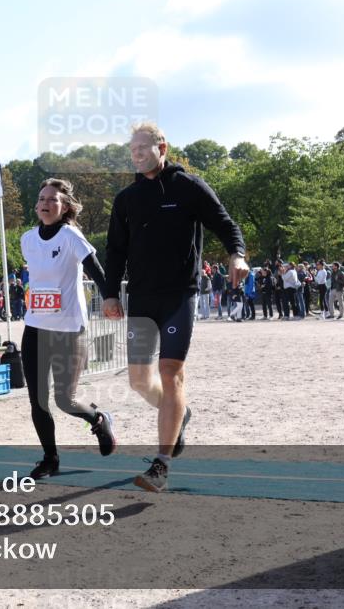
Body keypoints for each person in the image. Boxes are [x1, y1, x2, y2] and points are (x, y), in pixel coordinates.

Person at [101, 123, 247, 492]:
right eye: (131, 148)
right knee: (138, 381)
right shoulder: (127, 199)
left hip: (180, 294)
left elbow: (225, 224)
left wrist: (238, 255)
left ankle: (161, 465)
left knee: (170, 372)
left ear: (161, 146)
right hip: (142, 297)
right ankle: (180, 414)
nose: (135, 154)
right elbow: (115, 251)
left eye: (142, 147)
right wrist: (110, 294)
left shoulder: (189, 186)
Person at [20, 178, 115, 479]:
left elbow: (97, 272)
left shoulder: (71, 236)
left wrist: (110, 298)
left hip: (69, 330)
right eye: (41, 198)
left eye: (53, 199)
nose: (45, 203)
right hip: (35, 328)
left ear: (65, 207)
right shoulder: (27, 239)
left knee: (65, 399)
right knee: (37, 400)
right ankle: (50, 459)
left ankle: (98, 418)